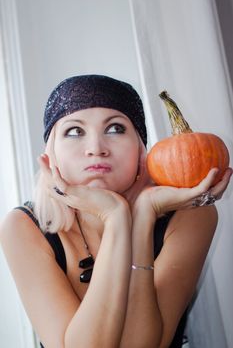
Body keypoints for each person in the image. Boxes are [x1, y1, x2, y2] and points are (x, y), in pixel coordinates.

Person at [0, 75, 232, 348]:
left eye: (115, 129)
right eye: (75, 131)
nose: (96, 149)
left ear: (141, 149)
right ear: (51, 155)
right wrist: (116, 217)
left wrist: (142, 216)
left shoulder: (192, 215)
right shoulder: (22, 226)